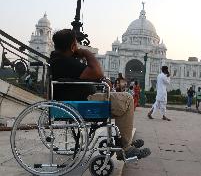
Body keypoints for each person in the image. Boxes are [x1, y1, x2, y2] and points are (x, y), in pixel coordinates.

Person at [49, 29, 150, 159]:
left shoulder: (60, 60)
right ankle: (125, 148)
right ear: (73, 46)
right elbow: (98, 72)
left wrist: (99, 78)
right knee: (127, 99)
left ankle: (125, 142)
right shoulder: (66, 62)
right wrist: (86, 52)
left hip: (78, 101)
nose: (78, 47)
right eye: (76, 44)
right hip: (83, 103)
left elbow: (92, 75)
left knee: (123, 99)